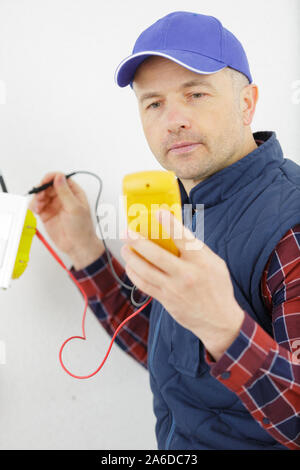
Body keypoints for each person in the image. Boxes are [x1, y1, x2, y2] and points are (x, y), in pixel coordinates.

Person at [29, 11, 300, 450]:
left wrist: (226, 330)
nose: (172, 119)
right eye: (153, 103)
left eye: (195, 94)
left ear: (247, 103)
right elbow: (174, 359)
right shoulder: (180, 207)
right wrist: (83, 247)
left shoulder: (292, 226)